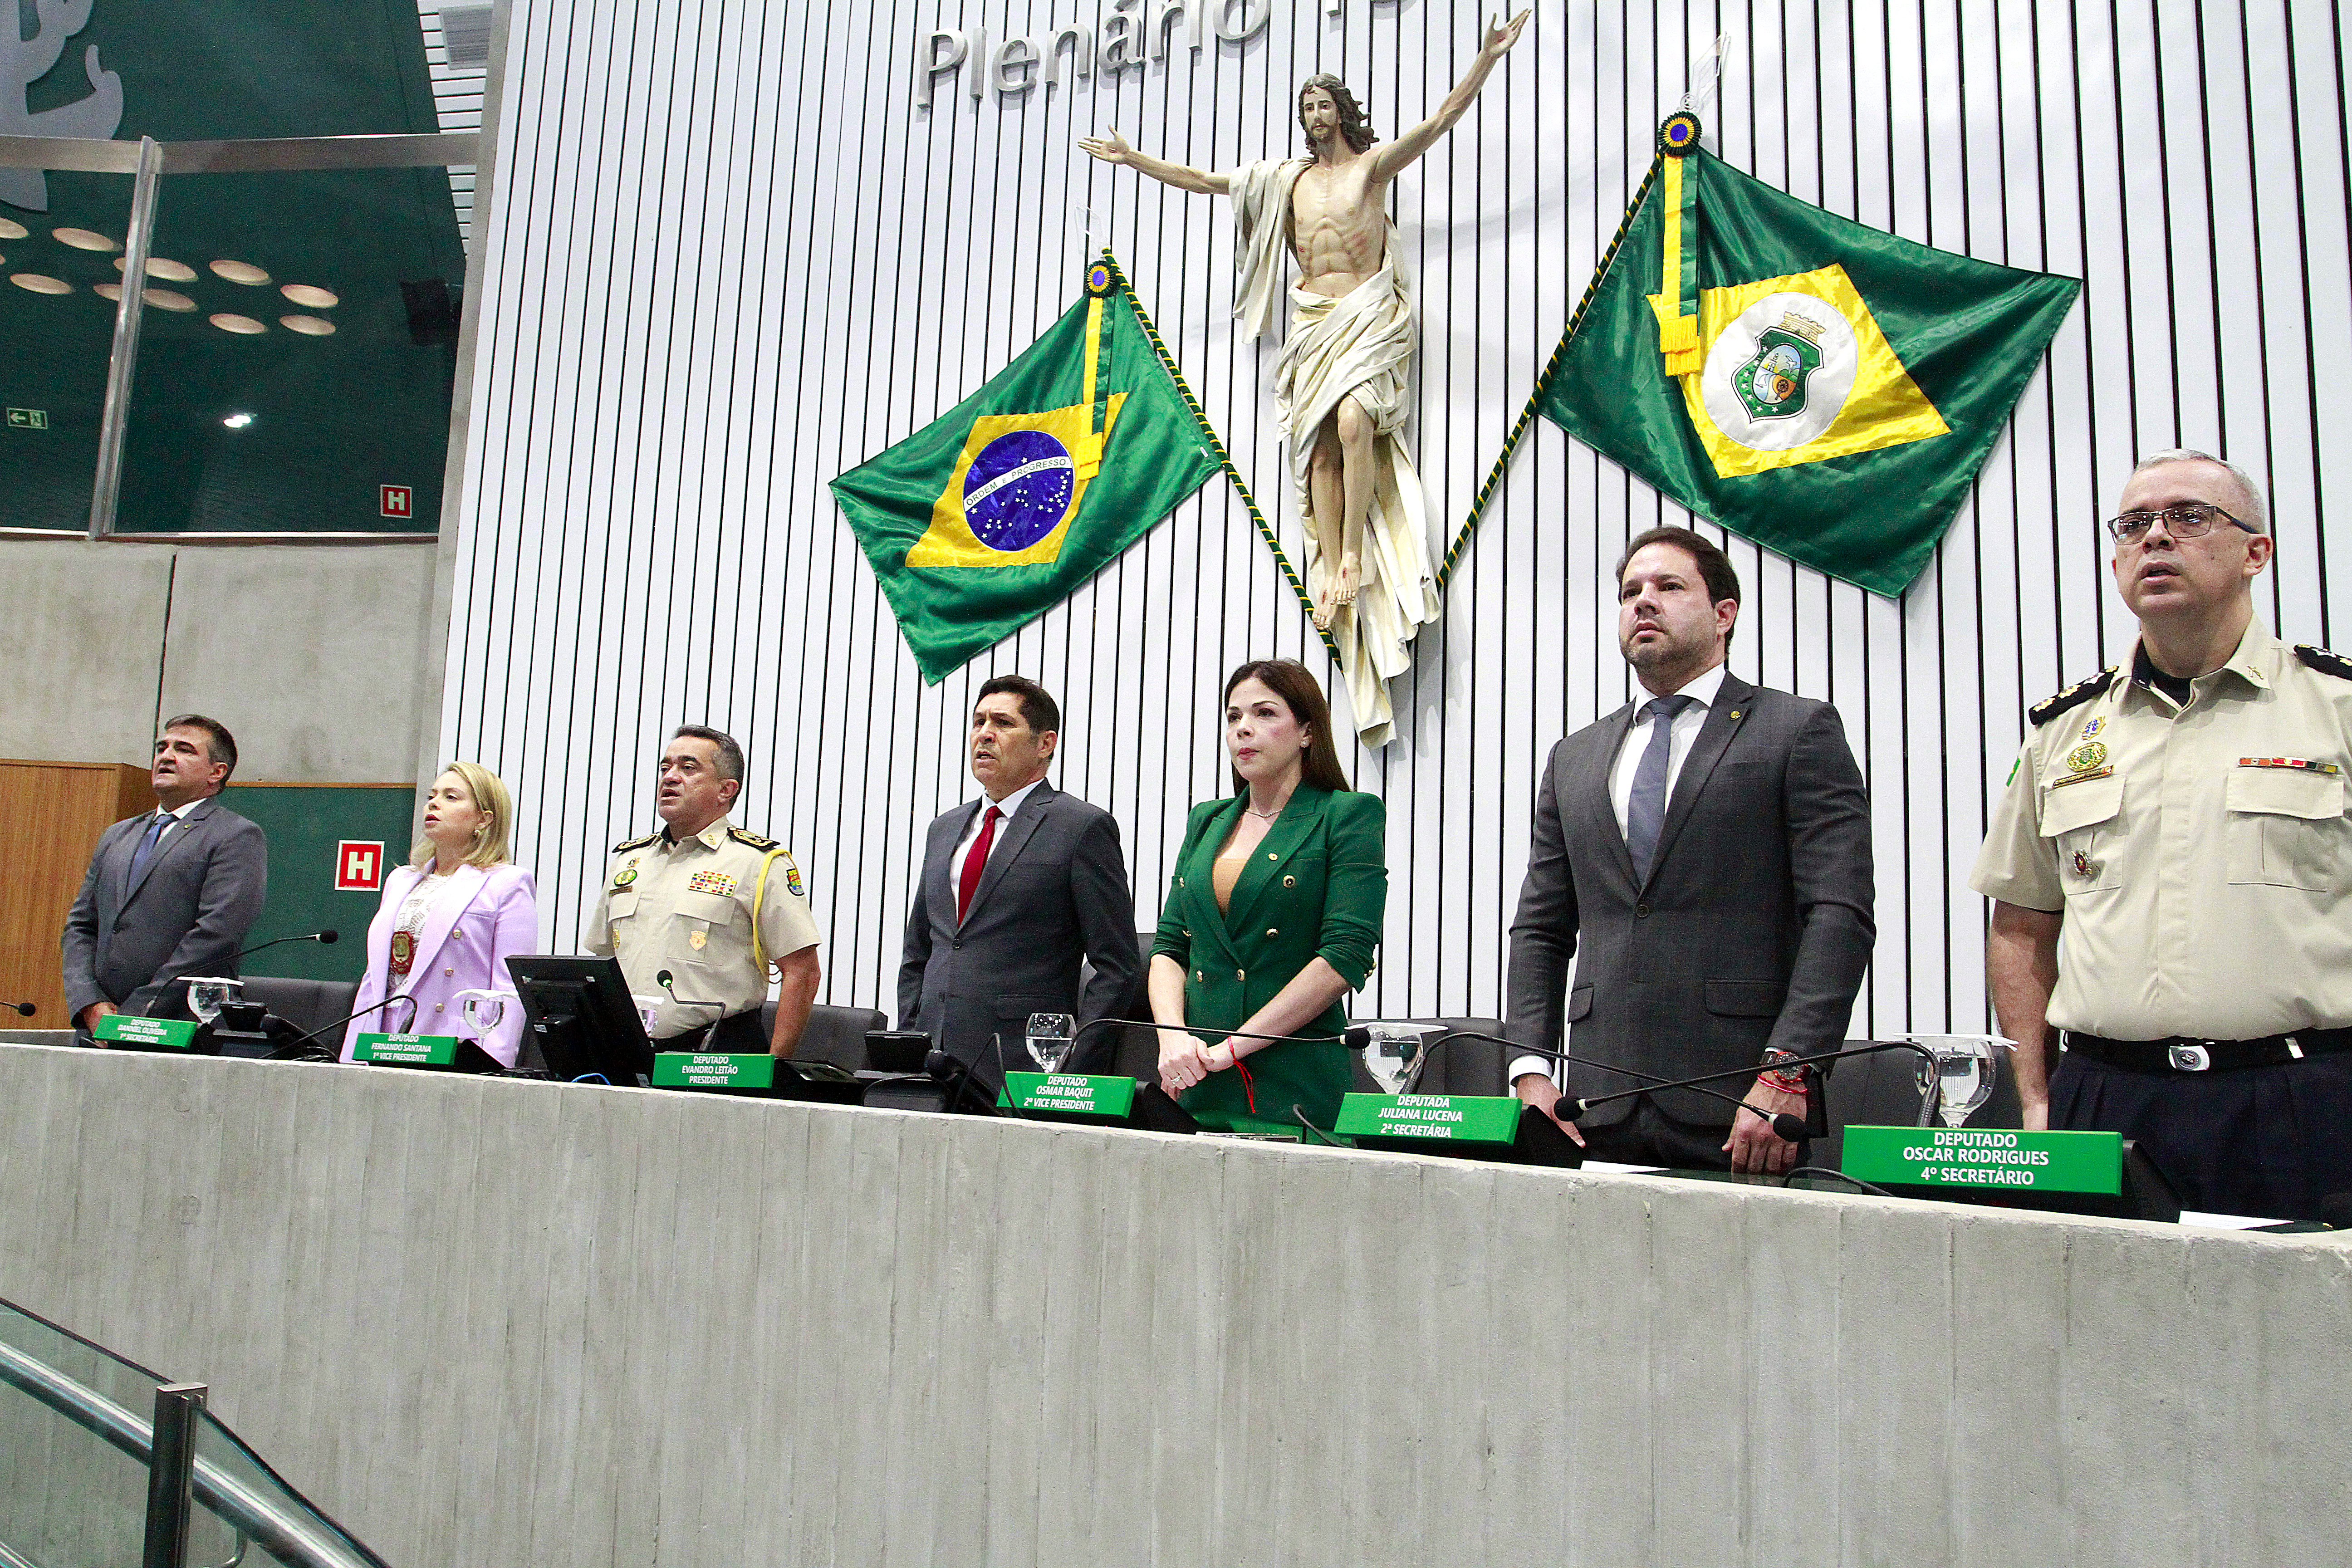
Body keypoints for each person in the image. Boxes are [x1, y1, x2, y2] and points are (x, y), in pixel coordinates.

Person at [1078, 12, 1529, 747]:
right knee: (1318, 448)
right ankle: (1328, 557)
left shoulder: (1369, 168)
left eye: (1324, 106)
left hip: (1366, 313)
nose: (1315, 117)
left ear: (1342, 113)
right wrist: (1134, 159)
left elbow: (1442, 119)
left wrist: (1483, 58)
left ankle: (1351, 552)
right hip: (1312, 320)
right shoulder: (1281, 182)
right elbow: (1201, 182)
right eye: (1306, 109)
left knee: (1356, 423)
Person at [1971, 448, 2352, 1220]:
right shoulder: (2062, 732)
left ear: (2255, 553)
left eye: (2187, 517)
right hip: (2104, 1098)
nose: (2154, 537)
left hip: (2301, 1097)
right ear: (2114, 558)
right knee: (2090, 1335)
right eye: (2134, 523)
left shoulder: (2335, 708)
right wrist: (2036, 1099)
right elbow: (2018, 925)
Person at [1503, 527, 1875, 1174]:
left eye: (1669, 587)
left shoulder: (1797, 730)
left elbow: (1839, 916)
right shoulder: (1576, 757)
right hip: (1594, 1108)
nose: (1643, 602)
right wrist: (1530, 1071)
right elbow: (1540, 926)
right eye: (1630, 591)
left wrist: (1789, 1073)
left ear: (1724, 613)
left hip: (1743, 1106)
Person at [1150, 659, 1385, 1134]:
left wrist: (1232, 1048)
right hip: (1197, 1075)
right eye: (1234, 717)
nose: (1243, 730)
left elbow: (1344, 957)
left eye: (1264, 714)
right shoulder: (1207, 821)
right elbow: (1170, 948)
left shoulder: (1347, 815)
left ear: (1306, 732)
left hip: (1291, 1081)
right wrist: (1172, 1037)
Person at [899, 676, 1141, 1087]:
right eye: (977, 722)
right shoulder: (944, 828)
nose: (984, 735)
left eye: (1003, 723)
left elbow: (1116, 966)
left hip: (1024, 1067)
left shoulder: (1081, 828)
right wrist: (907, 1041)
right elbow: (920, 950)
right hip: (931, 1062)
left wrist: (1071, 1070)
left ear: (1046, 743)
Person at [586, 726, 821, 1056]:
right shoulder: (631, 860)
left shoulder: (758, 863)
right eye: (665, 767)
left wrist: (773, 1069)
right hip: (628, 1048)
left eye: (688, 768)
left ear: (726, 790)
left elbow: (803, 972)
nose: (670, 777)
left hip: (716, 1053)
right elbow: (603, 959)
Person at [63, 714, 268, 1037]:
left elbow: (217, 933)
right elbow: (80, 926)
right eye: (162, 747)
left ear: (217, 773)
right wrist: (90, 1004)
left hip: (177, 1025)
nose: (166, 756)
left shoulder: (235, 835)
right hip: (97, 1024)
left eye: (184, 750)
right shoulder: (117, 835)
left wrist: (133, 1014)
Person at [341, 762, 537, 1067]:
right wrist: (350, 1054)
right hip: (383, 1041)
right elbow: (376, 977)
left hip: (455, 1047)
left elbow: (509, 988)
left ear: (484, 820)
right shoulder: (401, 880)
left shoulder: (507, 884)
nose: (433, 803)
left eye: (451, 797)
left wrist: (494, 1064)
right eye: (432, 796)